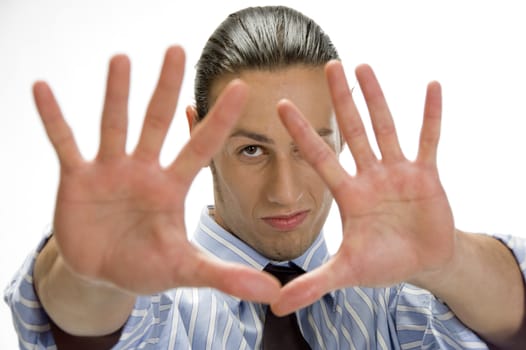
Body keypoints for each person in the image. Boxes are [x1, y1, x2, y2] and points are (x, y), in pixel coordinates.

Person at [4, 5, 526, 349]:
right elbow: (78, 317)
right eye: (252, 149)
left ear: (341, 133)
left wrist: (452, 262)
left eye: (310, 147)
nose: (286, 191)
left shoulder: (391, 304)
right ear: (198, 133)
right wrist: (93, 273)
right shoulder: (155, 305)